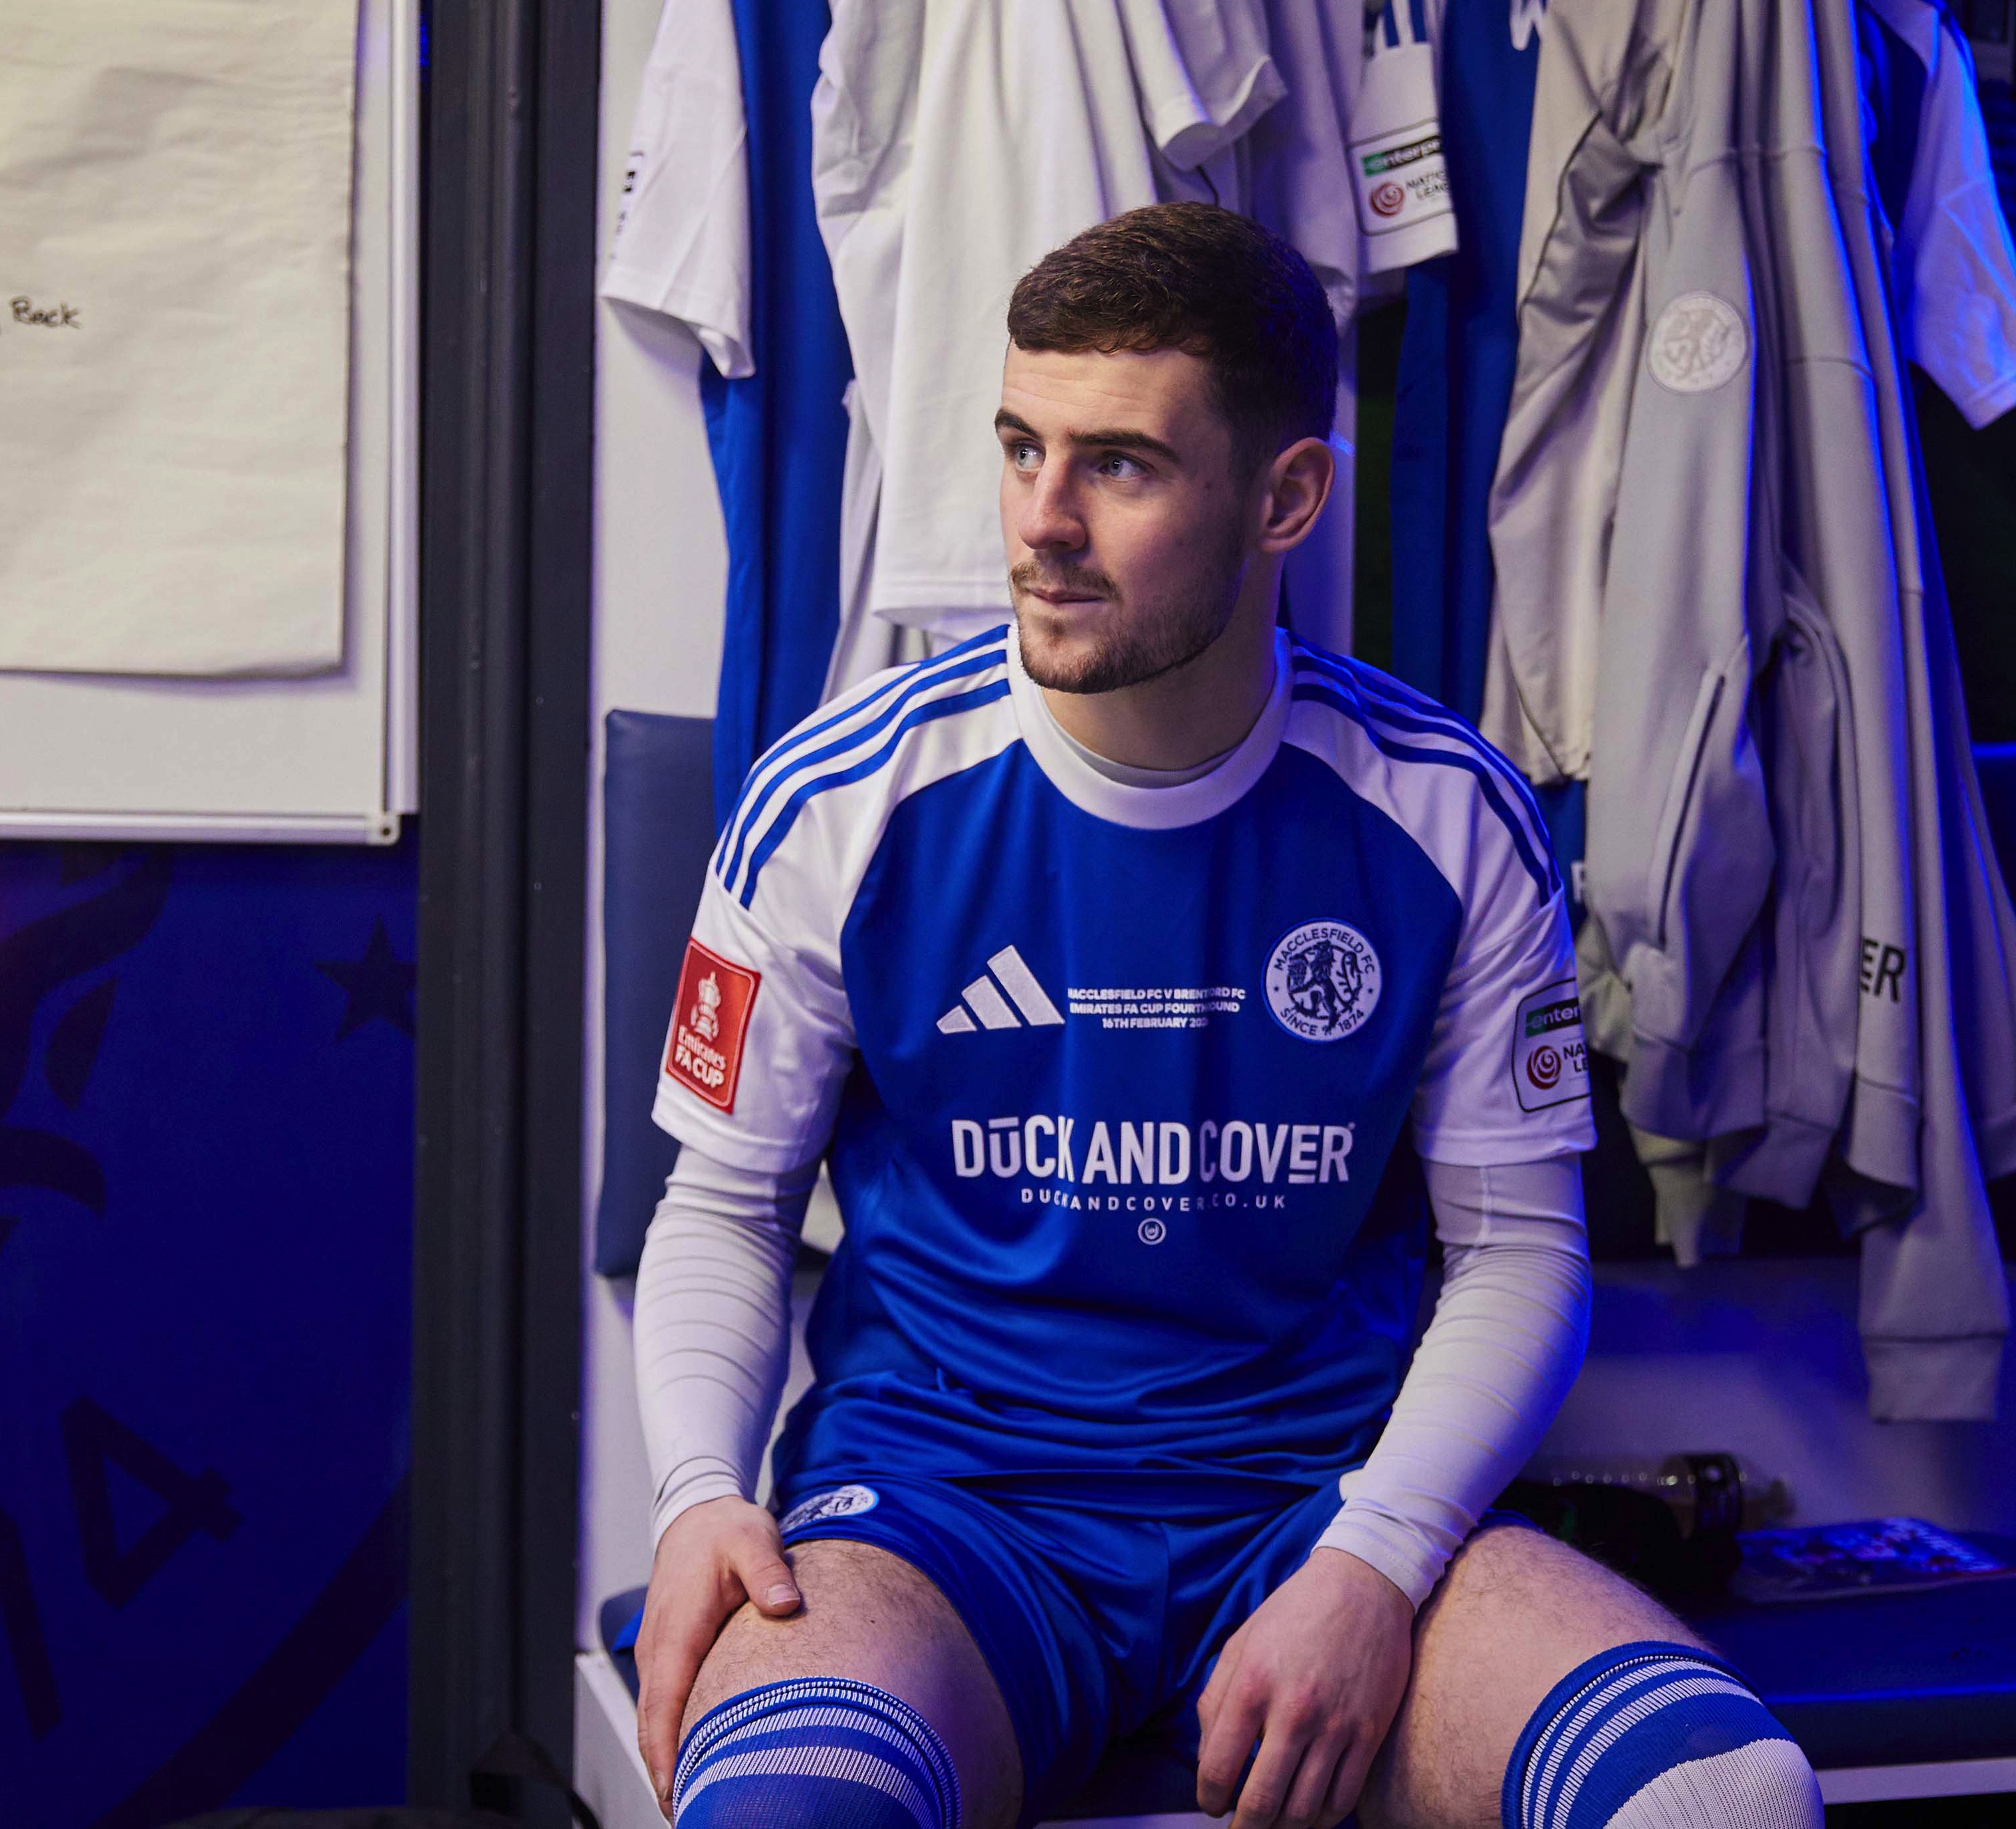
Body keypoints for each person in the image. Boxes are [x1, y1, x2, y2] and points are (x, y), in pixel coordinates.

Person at [630, 202, 1822, 1829]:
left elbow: (1518, 1250)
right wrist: (698, 1491)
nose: (1041, 522)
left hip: (1313, 1504)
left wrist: (1377, 1556)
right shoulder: (838, 802)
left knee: (1728, 1796)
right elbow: (725, 1198)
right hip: (941, 1512)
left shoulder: (1446, 813)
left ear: (1286, 497)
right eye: (1020, 447)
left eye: (1117, 465)